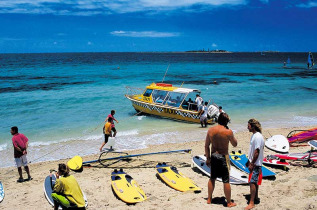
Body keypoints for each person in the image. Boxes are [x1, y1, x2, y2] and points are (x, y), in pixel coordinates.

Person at [205, 113, 237, 207]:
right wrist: (230, 134)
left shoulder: (210, 130)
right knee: (226, 180)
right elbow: (235, 144)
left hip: (214, 156)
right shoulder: (228, 132)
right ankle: (229, 202)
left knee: (212, 178)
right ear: (226, 121)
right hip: (223, 157)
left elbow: (206, 146)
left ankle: (209, 199)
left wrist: (208, 158)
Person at [245, 119, 265, 210]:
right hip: (255, 162)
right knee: (255, 181)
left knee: (252, 182)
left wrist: (252, 163)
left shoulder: (257, 137)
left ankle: (252, 202)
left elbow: (257, 151)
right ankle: (255, 197)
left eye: (248, 125)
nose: (247, 127)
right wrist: (248, 161)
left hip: (256, 163)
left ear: (253, 126)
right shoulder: (254, 135)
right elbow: (253, 151)